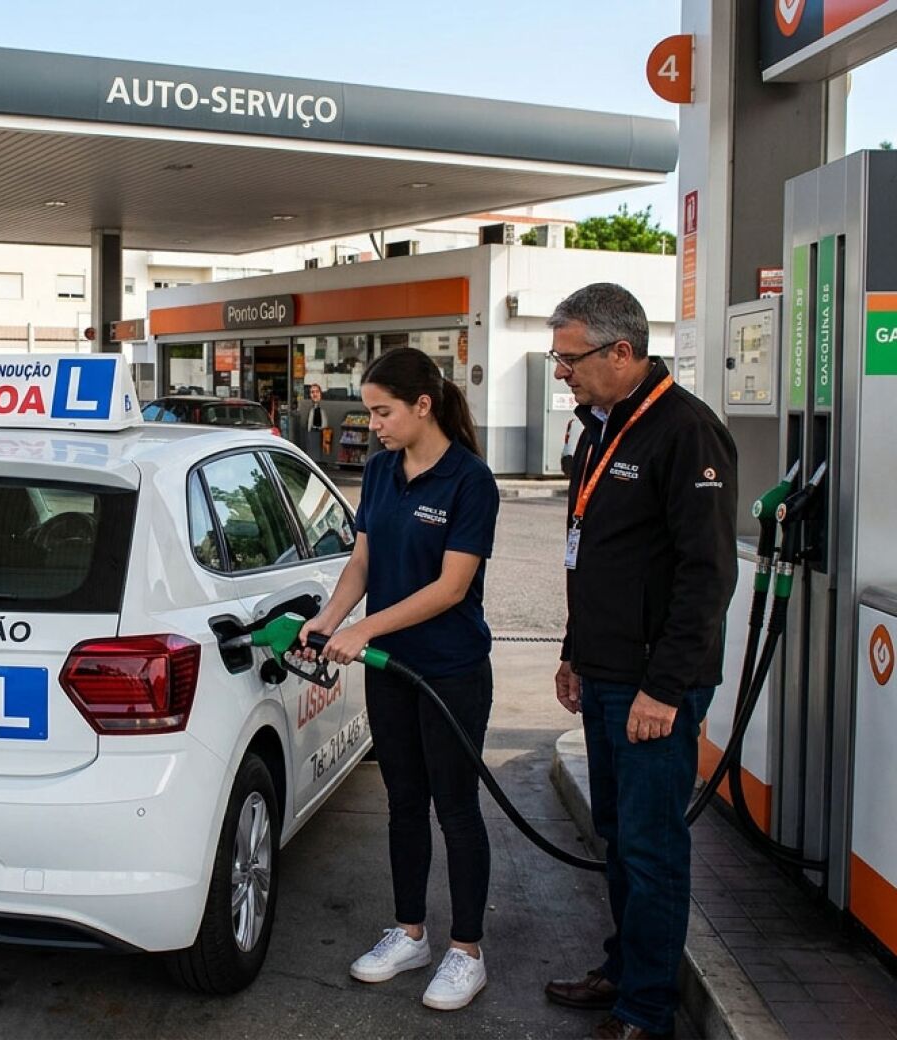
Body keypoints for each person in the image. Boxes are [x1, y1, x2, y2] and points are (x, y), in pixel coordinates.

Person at [541, 284, 737, 1040]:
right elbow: (592, 549)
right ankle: (626, 970)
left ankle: (647, 1011)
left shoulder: (688, 433)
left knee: (652, 848)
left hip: (654, 688)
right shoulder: (601, 428)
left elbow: (706, 575)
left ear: (622, 352)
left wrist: (663, 688)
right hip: (605, 671)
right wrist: (573, 651)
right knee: (621, 836)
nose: (563, 372)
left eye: (571, 358)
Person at [294, 346, 500, 1012]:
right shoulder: (381, 472)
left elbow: (451, 587)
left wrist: (367, 629)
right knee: (404, 802)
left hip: (450, 669)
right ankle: (410, 932)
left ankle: (466, 951)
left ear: (423, 405)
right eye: (370, 411)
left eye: (384, 412)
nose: (373, 424)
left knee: (456, 809)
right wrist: (328, 620)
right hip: (390, 672)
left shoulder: (471, 481)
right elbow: (362, 562)